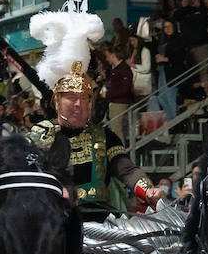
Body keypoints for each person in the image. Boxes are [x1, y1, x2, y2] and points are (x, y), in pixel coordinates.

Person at [29, 60, 161, 215]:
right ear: (57, 102)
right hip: (53, 218)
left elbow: (127, 170)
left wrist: (147, 191)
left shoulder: (104, 136)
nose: (78, 104)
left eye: (84, 98)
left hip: (99, 218)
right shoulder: (38, 136)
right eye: (71, 97)